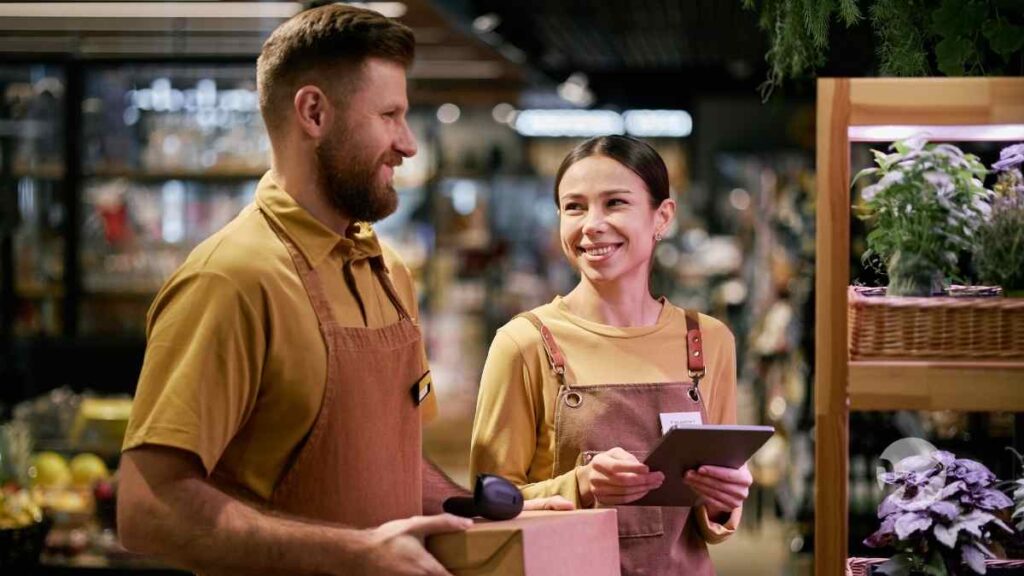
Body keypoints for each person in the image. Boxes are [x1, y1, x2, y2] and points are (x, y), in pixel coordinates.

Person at [116, 6, 566, 576]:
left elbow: (391, 458)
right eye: (389, 115)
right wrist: (351, 555)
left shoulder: (387, 269)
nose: (407, 144)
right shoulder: (230, 280)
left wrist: (480, 513)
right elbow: (148, 508)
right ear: (313, 113)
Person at [470, 135, 753, 575]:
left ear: (662, 217)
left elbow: (709, 515)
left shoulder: (709, 341)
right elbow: (488, 501)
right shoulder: (524, 343)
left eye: (615, 203)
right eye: (575, 207)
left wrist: (722, 501)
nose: (592, 224)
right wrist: (580, 484)